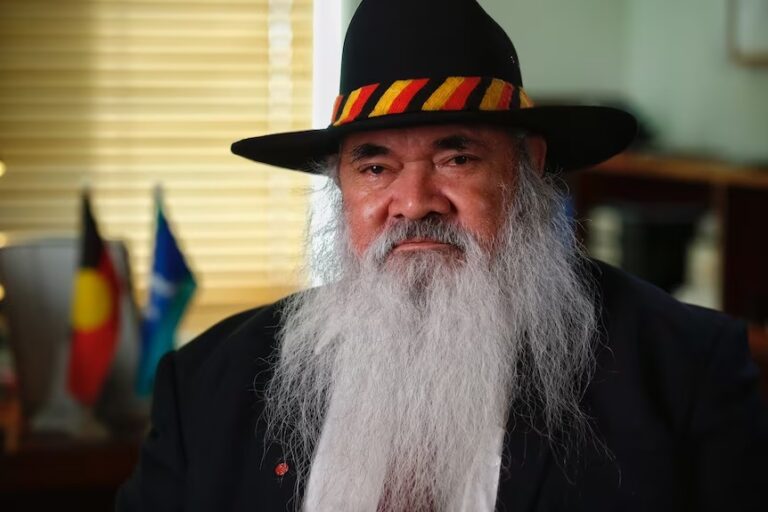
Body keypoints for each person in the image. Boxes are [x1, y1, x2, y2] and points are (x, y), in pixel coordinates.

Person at [117, 0, 768, 510]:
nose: (413, 202)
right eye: (375, 167)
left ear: (527, 167)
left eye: (457, 158)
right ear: (341, 186)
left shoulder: (683, 369)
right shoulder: (208, 382)